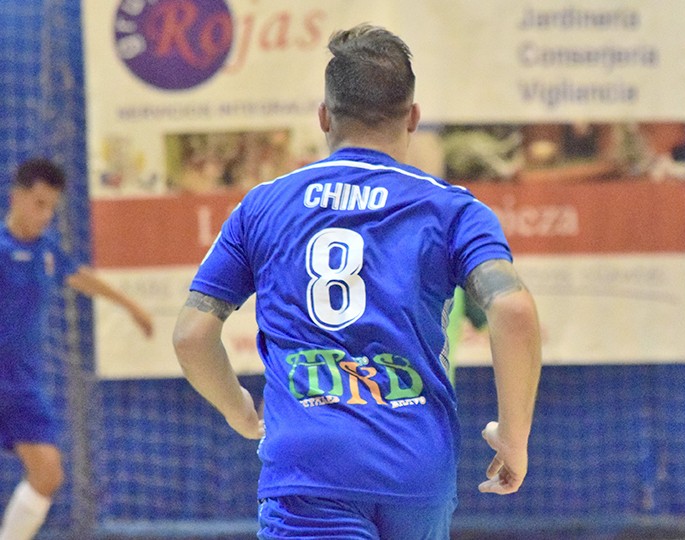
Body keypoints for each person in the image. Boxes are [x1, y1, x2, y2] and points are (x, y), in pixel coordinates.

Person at [172, 24, 542, 540]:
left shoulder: (262, 206)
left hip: (309, 466)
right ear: (413, 117)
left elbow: (191, 335)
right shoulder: (454, 209)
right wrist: (515, 438)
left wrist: (240, 412)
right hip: (415, 465)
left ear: (324, 116)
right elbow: (514, 311)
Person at [0, 158, 154, 540]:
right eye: (38, 203)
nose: (45, 214)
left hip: (21, 386)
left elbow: (79, 276)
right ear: (15, 197)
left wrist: (130, 304)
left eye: (51, 206)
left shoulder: (47, 250)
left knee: (48, 473)